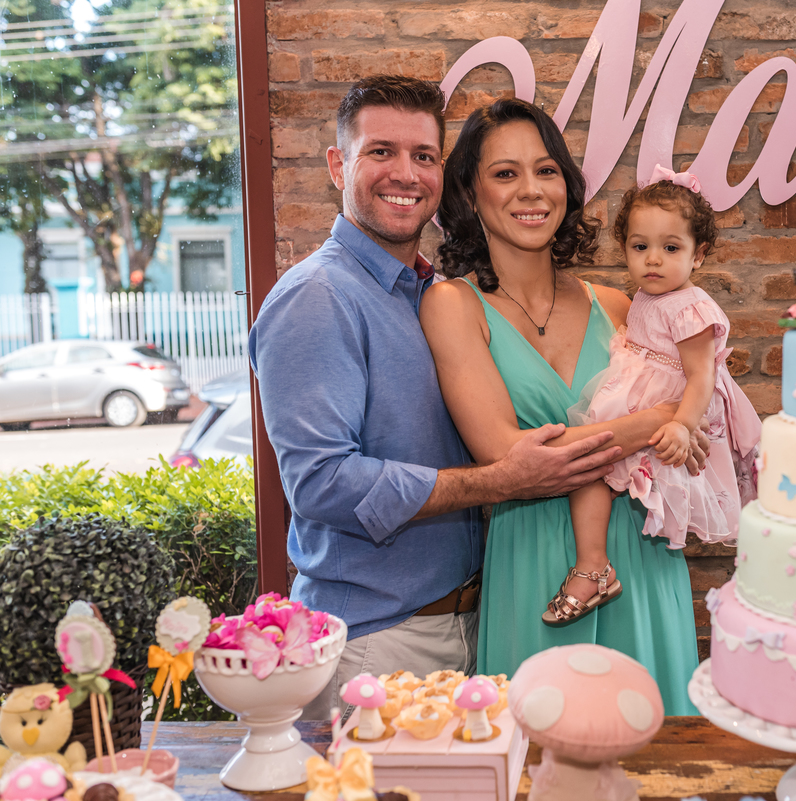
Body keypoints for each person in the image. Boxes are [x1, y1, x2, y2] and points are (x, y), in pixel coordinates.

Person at [247, 76, 620, 717]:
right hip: (377, 642)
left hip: (473, 623)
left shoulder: (430, 291)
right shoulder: (318, 297)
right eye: (380, 152)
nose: (405, 173)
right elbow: (320, 483)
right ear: (337, 165)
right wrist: (499, 480)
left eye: (423, 156)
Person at [420, 98, 702, 715]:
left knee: (655, 745)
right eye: (505, 173)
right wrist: (654, 422)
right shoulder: (452, 305)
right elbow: (507, 454)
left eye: (546, 170)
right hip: (535, 557)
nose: (531, 190)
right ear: (469, 194)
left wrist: (679, 425)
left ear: (567, 186)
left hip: (641, 554)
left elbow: (698, 420)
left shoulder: (621, 306)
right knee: (539, 741)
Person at [547, 170, 762, 625]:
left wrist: (682, 425)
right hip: (636, 396)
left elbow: (702, 376)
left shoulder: (691, 307)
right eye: (640, 246)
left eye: (671, 248)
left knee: (594, 466)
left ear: (698, 255)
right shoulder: (646, 296)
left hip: (670, 408)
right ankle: (593, 563)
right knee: (590, 467)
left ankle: (592, 567)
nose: (653, 260)